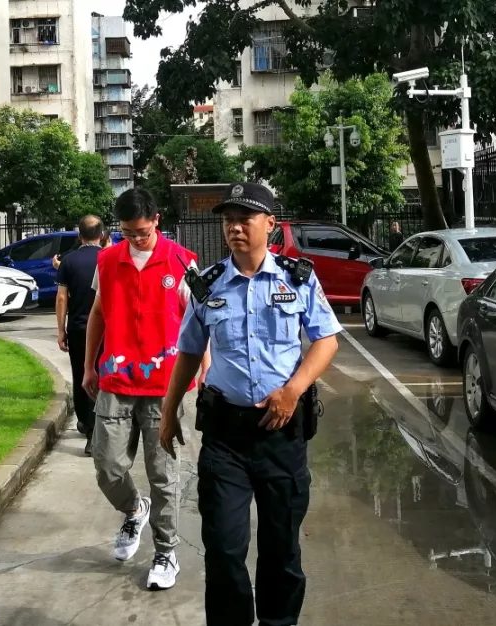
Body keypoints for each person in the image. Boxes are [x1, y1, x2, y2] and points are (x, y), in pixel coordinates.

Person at [159, 182, 341, 626]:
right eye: (228, 220)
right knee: (224, 548)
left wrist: (293, 390)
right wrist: (168, 412)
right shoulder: (208, 285)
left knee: (281, 548)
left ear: (270, 224)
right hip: (226, 438)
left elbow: (326, 340)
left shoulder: (297, 278)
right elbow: (189, 351)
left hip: (282, 435)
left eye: (245, 219)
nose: (235, 227)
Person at [82, 188, 210, 591]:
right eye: (126, 233)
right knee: (107, 464)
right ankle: (134, 509)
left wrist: (206, 369)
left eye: (141, 232)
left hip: (164, 385)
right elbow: (98, 314)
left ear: (156, 220)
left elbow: (199, 319)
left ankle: (166, 551)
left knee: (163, 473)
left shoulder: (182, 262)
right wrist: (88, 365)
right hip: (116, 378)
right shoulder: (107, 261)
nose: (135, 240)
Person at [55, 215, 105, 456]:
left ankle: (87, 423)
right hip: (106, 329)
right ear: (102, 235)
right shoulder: (109, 258)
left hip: (79, 327)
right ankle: (99, 426)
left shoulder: (69, 261)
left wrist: (60, 329)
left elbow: (61, 297)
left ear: (79, 235)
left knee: (81, 374)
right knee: (104, 376)